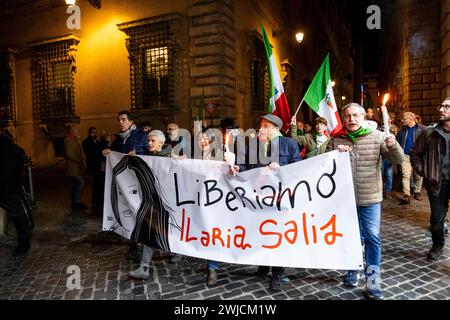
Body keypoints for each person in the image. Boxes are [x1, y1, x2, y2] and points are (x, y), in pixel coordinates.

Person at [327, 103, 403, 300]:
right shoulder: (336, 140)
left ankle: (373, 282)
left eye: (355, 115)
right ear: (343, 119)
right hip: (345, 199)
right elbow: (324, 165)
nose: (351, 119)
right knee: (351, 238)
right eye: (347, 116)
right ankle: (352, 272)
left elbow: (397, 160)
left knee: (372, 237)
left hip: (370, 198)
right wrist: (334, 155)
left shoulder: (378, 137)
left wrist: (393, 145)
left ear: (363, 117)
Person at [229, 114, 301, 291]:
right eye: (261, 125)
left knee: (277, 235)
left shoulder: (289, 144)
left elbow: (298, 168)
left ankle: (277, 272)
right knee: (260, 231)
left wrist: (281, 169)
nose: (262, 128)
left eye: (267, 126)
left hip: (279, 197)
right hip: (258, 196)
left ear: (276, 129)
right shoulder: (254, 144)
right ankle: (263, 262)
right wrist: (238, 167)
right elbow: (246, 165)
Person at [103, 110, 148, 260]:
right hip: (124, 184)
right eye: (119, 120)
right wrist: (106, 153)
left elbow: (152, 155)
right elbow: (113, 158)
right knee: (128, 212)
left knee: (140, 212)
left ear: (131, 122)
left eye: (123, 119)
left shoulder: (142, 136)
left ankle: (143, 244)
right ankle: (134, 245)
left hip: (140, 182)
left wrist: (139, 156)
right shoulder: (117, 140)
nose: (120, 122)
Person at [129, 130, 172, 280]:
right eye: (148, 141)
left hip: (168, 203)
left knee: (170, 231)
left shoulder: (170, 157)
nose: (149, 143)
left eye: (152, 141)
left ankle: (176, 253)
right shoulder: (150, 157)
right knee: (150, 231)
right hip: (154, 203)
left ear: (161, 143)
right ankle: (144, 267)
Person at [410, 98, 450, 260]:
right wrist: (424, 173)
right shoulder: (429, 132)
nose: (441, 109)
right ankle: (437, 245)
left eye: (447, 107)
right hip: (437, 182)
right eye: (441, 106)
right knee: (437, 218)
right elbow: (415, 154)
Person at [0, 132, 32, 256]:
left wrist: (6, 179)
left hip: (7, 187)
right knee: (17, 213)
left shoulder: (6, 145)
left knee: (18, 214)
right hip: (7, 185)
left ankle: (24, 242)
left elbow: (15, 161)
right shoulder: (8, 145)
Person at [396, 112, 426, 204]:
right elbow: (397, 143)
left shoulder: (423, 129)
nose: (402, 121)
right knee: (406, 175)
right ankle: (407, 195)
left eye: (404, 119)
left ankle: (417, 192)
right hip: (405, 156)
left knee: (418, 175)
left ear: (411, 119)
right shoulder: (401, 131)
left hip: (418, 156)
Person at [64, 127, 87, 211]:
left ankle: (75, 201)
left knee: (76, 183)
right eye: (76, 132)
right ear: (72, 133)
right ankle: (76, 201)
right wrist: (79, 160)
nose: (78, 133)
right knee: (80, 182)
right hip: (72, 167)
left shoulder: (74, 140)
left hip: (76, 167)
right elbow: (69, 154)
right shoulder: (68, 141)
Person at [82, 127, 103, 212]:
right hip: (92, 165)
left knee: (97, 184)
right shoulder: (86, 142)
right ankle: (92, 201)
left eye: (95, 132)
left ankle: (96, 200)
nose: (94, 134)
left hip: (98, 166)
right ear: (89, 133)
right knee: (91, 184)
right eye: (92, 132)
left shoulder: (97, 141)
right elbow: (89, 152)